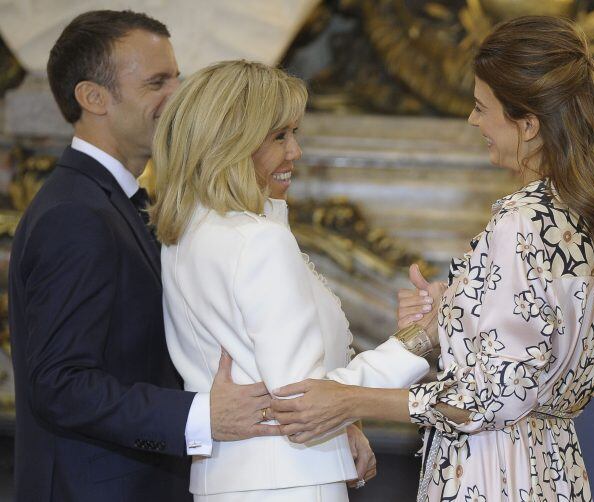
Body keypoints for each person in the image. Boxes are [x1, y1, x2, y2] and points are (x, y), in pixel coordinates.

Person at [269, 16, 594, 501]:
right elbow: (533, 359)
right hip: (556, 466)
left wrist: (348, 400)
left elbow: (490, 400)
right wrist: (455, 319)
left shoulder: (523, 221)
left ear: (528, 125)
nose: (472, 120)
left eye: (482, 108)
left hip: (493, 472)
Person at [9, 11, 278, 502]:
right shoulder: (74, 213)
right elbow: (61, 385)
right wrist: (202, 416)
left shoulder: (120, 201)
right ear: (93, 98)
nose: (179, 96)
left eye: (178, 78)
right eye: (158, 82)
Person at [151, 60, 436, 502]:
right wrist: (418, 340)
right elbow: (304, 403)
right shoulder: (258, 240)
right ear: (231, 142)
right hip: (290, 482)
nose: (295, 152)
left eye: (294, 134)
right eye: (279, 136)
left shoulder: (185, 234)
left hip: (226, 482)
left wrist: (348, 429)